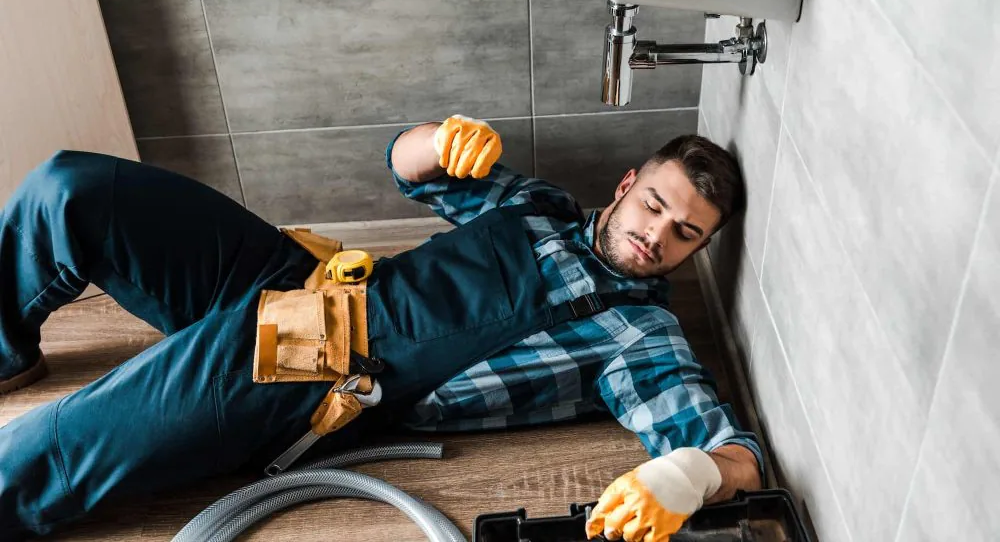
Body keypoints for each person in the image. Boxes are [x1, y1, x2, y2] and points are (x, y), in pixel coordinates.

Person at [0, 115, 761, 541]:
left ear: (698, 250)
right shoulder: (539, 206)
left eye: (685, 234)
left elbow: (738, 456)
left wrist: (690, 476)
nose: (656, 236)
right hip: (302, 277)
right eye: (654, 206)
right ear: (626, 187)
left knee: (50, 450)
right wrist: (438, 138)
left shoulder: (638, 335)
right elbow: (407, 166)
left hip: (317, 368)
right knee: (71, 189)